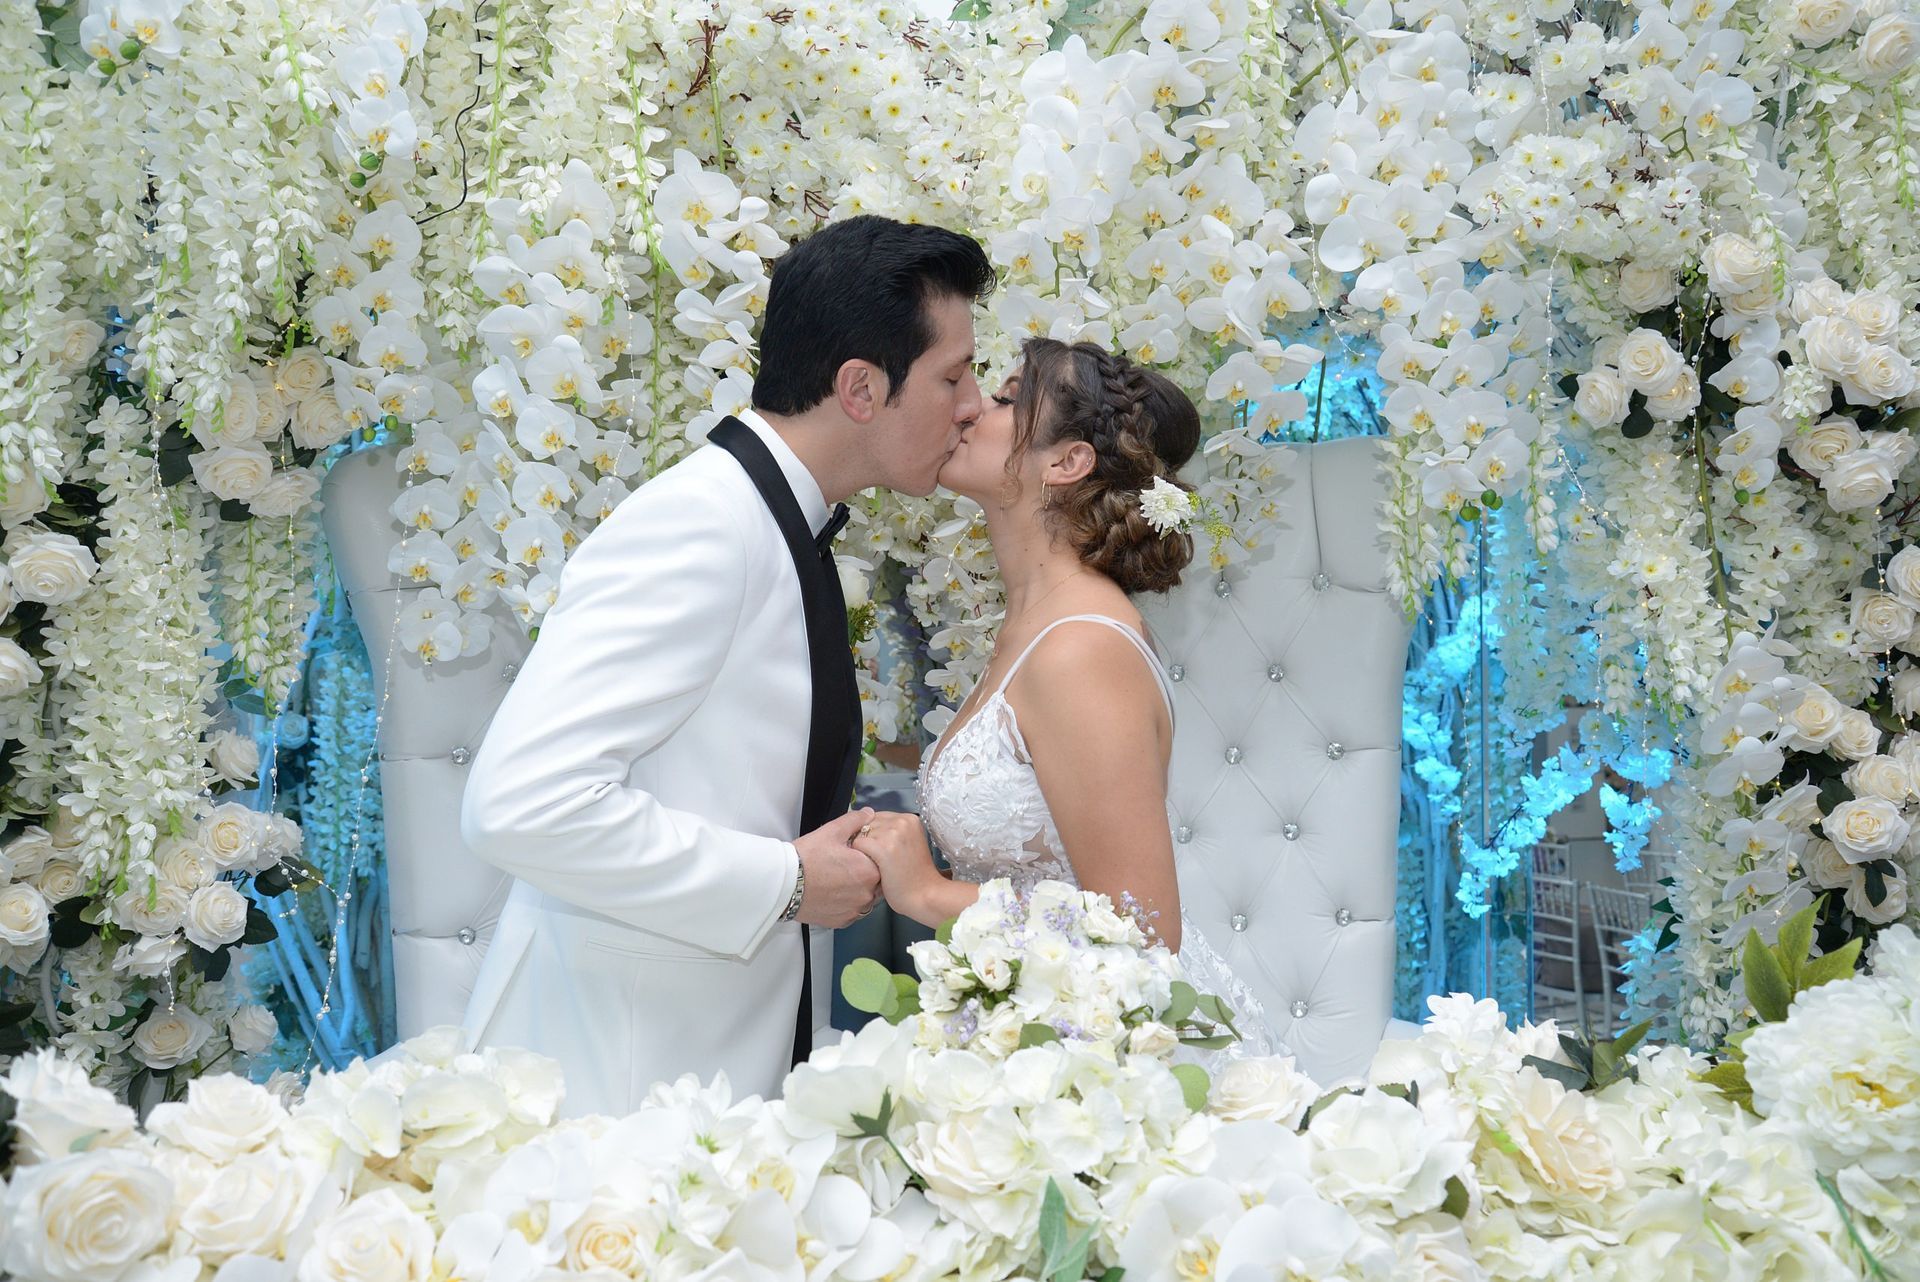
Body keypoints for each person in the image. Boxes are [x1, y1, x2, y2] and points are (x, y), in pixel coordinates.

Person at [458, 215, 995, 1116]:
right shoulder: (702, 523)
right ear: (862, 388)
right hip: (608, 1088)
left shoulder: (771, 521)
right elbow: (521, 804)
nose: (975, 403)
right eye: (954, 374)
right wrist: (783, 882)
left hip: (692, 1078)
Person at [851, 336, 1284, 1060]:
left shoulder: (1081, 649)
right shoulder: (1028, 628)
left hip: (1114, 1055)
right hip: (1041, 1032)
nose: (966, 407)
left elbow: (1140, 931)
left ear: (1066, 461)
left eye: (1002, 397)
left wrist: (929, 894)